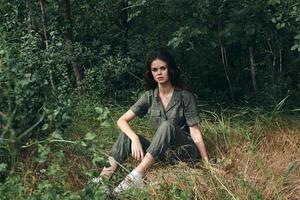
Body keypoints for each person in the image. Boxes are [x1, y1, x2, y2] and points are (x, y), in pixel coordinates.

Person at [93, 48, 209, 193]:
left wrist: (206, 163)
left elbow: (195, 132)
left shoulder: (185, 97)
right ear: (151, 73)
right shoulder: (149, 96)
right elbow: (121, 120)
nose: (159, 73)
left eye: (163, 68)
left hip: (184, 152)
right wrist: (134, 138)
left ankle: (136, 177)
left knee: (167, 125)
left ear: (170, 69)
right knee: (125, 136)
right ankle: (102, 182)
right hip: (161, 153)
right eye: (155, 70)